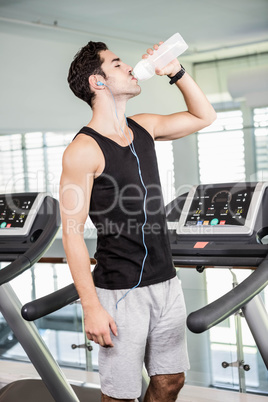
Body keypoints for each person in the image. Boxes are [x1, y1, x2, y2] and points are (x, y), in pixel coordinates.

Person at [60, 39, 216, 402]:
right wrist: (91, 307)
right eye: (117, 64)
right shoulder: (83, 150)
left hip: (166, 281)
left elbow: (204, 117)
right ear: (98, 82)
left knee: (171, 381)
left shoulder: (143, 126)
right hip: (120, 291)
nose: (129, 67)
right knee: (120, 395)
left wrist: (174, 71)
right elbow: (71, 235)